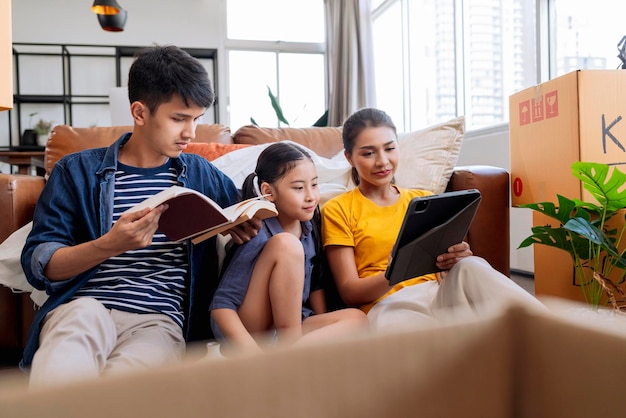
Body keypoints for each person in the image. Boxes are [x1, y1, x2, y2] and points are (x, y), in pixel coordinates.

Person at [20, 44, 260, 387]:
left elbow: (243, 208)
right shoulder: (78, 172)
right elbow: (38, 264)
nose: (190, 133)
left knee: (128, 393)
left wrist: (244, 223)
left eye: (196, 119)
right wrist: (109, 245)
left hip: (158, 320)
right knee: (62, 372)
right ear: (140, 112)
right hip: (84, 306)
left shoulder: (201, 174)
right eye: (179, 118)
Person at [321, 107, 545, 331]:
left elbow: (449, 259)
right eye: (368, 153)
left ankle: (550, 329)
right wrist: (394, 273)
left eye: (389, 148)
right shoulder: (338, 209)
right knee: (431, 340)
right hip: (389, 304)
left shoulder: (423, 200)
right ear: (349, 157)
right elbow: (350, 292)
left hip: (439, 292)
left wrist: (457, 256)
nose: (382, 161)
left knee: (471, 265)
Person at [210, 142, 368, 354]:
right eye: (299, 188)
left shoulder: (309, 227)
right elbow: (222, 306)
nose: (311, 196)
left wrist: (322, 323)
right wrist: (250, 353)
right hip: (248, 331)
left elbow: (315, 285)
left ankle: (290, 353)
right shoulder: (258, 231)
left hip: (288, 328)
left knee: (357, 319)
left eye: (314, 184)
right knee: (287, 245)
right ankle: (288, 356)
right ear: (268, 192)